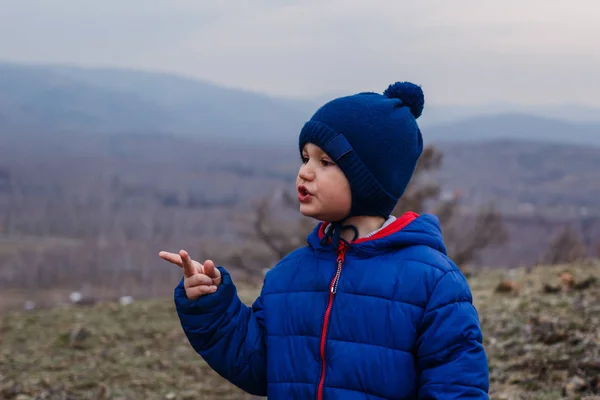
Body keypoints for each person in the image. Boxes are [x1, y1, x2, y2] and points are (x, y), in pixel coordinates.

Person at [159, 81, 489, 399]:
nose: (305, 172)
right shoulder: (288, 275)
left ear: (368, 181)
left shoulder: (433, 283)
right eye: (305, 158)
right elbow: (258, 367)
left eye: (325, 161)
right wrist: (211, 304)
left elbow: (456, 388)